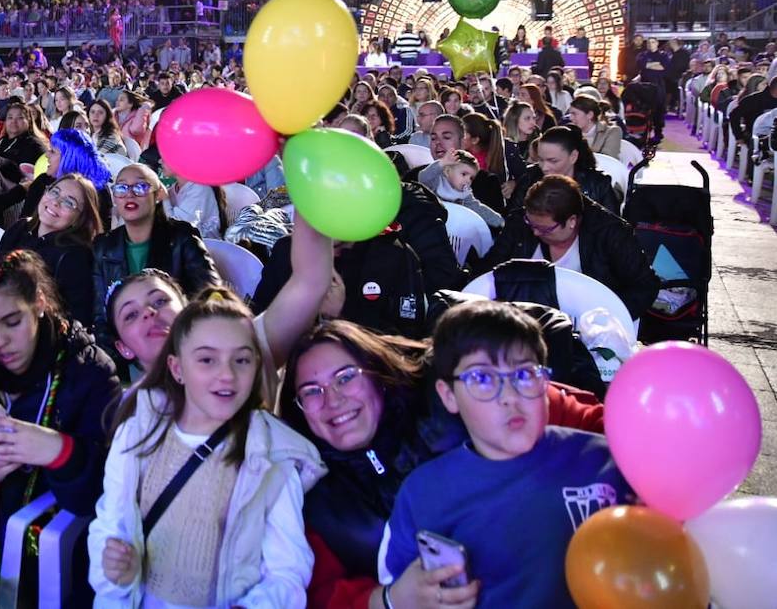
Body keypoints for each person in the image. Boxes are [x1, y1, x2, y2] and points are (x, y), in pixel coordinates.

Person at [279, 318, 607, 609]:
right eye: (311, 391)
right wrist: (390, 600)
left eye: (345, 377)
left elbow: (587, 418)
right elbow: (317, 594)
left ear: (376, 374)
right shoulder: (309, 492)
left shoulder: (451, 395)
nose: (332, 400)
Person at [378, 300, 632, 609]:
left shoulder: (608, 461)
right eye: (482, 379)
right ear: (448, 396)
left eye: (524, 375)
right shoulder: (422, 494)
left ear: (546, 383)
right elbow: (400, 590)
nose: (509, 397)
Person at [89, 294, 323, 607]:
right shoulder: (140, 431)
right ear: (177, 368)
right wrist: (118, 574)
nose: (227, 374)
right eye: (206, 359)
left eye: (241, 360)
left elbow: (287, 571)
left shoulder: (272, 455)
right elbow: (112, 522)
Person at [0, 250, 121, 605]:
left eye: (12, 321)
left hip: (52, 542)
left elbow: (106, 494)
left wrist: (59, 451)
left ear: (38, 304)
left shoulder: (88, 371)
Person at [103, 214, 334, 387]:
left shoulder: (247, 350)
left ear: (186, 307)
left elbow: (309, 281)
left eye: (160, 301)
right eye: (131, 314)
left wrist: (301, 173)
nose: (148, 312)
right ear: (123, 348)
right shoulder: (131, 418)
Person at [478, 175, 659, 319]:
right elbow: (488, 271)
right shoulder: (519, 224)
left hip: (590, 326)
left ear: (572, 221)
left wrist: (608, 318)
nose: (535, 233)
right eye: (531, 223)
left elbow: (644, 287)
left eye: (544, 228)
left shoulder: (610, 233)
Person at [91, 164, 222, 319]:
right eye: (121, 188)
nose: (130, 194)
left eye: (140, 187)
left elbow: (212, 296)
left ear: (158, 195)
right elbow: (101, 315)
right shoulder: (103, 246)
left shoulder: (182, 237)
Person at [0, 173, 102, 327]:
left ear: (80, 218)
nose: (56, 202)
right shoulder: (19, 228)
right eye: (54, 192)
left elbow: (78, 319)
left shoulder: (75, 256)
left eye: (68, 202)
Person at [506, 125, 619, 215]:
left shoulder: (599, 184)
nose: (544, 167)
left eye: (553, 161)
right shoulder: (528, 178)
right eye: (540, 160)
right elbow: (512, 221)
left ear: (573, 157)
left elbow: (613, 230)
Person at [419, 149, 504, 230]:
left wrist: (500, 221)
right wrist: (442, 163)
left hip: (452, 231)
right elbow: (422, 177)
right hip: (428, 226)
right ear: (447, 171)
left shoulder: (464, 195)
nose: (467, 180)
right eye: (464, 174)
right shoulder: (435, 183)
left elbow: (479, 208)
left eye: (471, 178)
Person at [0, 99, 48, 167]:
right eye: (10, 117)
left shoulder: (35, 145)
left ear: (29, 121)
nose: (14, 121)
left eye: (20, 118)